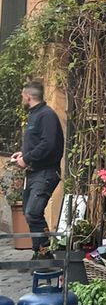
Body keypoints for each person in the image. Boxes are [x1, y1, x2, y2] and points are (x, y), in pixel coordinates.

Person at [9, 80, 64, 259]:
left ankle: (45, 254)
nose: (21, 98)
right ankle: (39, 253)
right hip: (34, 173)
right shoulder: (35, 114)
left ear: (28, 96)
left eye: (22, 96)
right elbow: (38, 142)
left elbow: (48, 144)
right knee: (29, 212)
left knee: (33, 212)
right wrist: (23, 153)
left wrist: (27, 158)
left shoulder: (46, 115)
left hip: (46, 172)